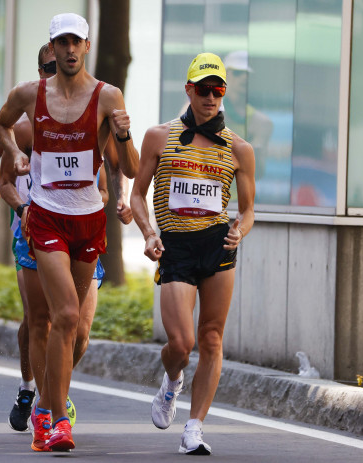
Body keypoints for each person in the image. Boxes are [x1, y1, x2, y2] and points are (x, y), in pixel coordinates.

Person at [0, 13, 138, 452]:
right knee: (65, 316)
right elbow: (0, 126)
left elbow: (128, 167)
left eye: (77, 42)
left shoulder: (107, 96)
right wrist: (17, 154)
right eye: (63, 42)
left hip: (89, 220)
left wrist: (125, 137)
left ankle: (45, 401)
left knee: (75, 331)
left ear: (87, 46)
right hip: (46, 216)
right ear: (52, 48)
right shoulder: (29, 95)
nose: (70, 50)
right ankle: (56, 419)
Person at [130, 52, 255, 455]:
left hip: (217, 244)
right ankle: (171, 382)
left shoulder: (239, 147)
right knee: (181, 344)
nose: (211, 98)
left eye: (218, 90)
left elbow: (250, 210)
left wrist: (240, 229)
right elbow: (136, 194)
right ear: (189, 91)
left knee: (212, 339)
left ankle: (195, 428)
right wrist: (149, 233)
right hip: (176, 246)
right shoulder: (158, 136)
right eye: (203, 90)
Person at [221, 50, 272, 180]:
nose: (244, 77)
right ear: (225, 75)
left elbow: (258, 173)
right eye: (237, 73)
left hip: (239, 197)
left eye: (247, 73)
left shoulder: (261, 123)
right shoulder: (205, 111)